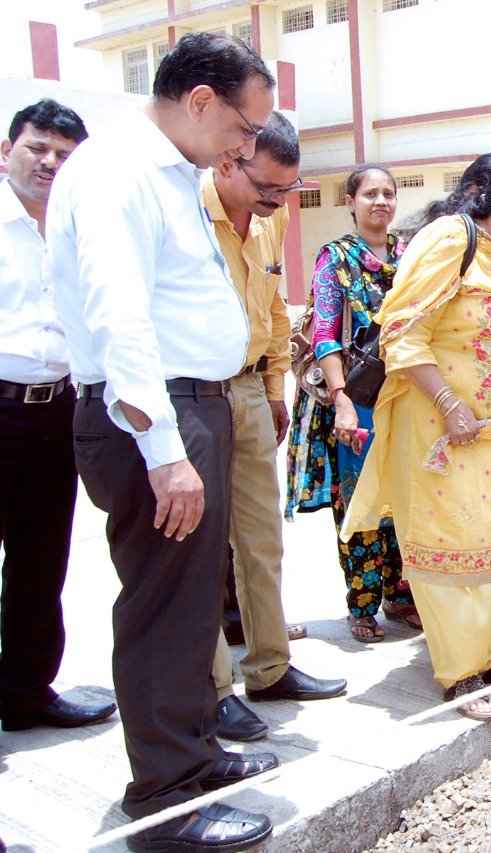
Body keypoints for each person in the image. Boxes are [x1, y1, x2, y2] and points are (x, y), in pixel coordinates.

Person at [46, 32, 278, 849]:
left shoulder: (167, 171)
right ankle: (166, 795)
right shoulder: (117, 173)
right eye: (246, 128)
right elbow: (121, 318)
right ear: (202, 101)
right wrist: (164, 451)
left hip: (189, 407)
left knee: (189, 607)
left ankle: (194, 752)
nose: (247, 147)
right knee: (160, 606)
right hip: (156, 416)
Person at [340, 156, 491, 722]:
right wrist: (448, 403)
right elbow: (403, 334)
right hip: (445, 429)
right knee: (451, 541)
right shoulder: (449, 241)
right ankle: (459, 671)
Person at [202, 112, 347, 743]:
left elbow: (270, 302)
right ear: (229, 162)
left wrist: (272, 388)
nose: (277, 204)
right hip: (195, 395)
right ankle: (210, 691)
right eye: (268, 189)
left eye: (288, 192)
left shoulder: (271, 211)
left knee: (262, 540)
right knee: (200, 554)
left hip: (251, 389)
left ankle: (269, 667)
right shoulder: (186, 211)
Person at [0, 99, 116, 734]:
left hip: (55, 410)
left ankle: (24, 690)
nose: (49, 162)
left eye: (64, 155)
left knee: (41, 559)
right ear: (6, 151)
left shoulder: (73, 228)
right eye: (37, 147)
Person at [284, 165, 417, 643]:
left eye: (388, 193)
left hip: (405, 396)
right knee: (360, 501)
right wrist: (340, 399)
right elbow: (324, 333)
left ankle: (400, 596)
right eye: (370, 193)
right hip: (356, 398)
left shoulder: (411, 256)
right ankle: (361, 604)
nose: (380, 201)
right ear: (351, 202)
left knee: (404, 496)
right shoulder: (335, 259)